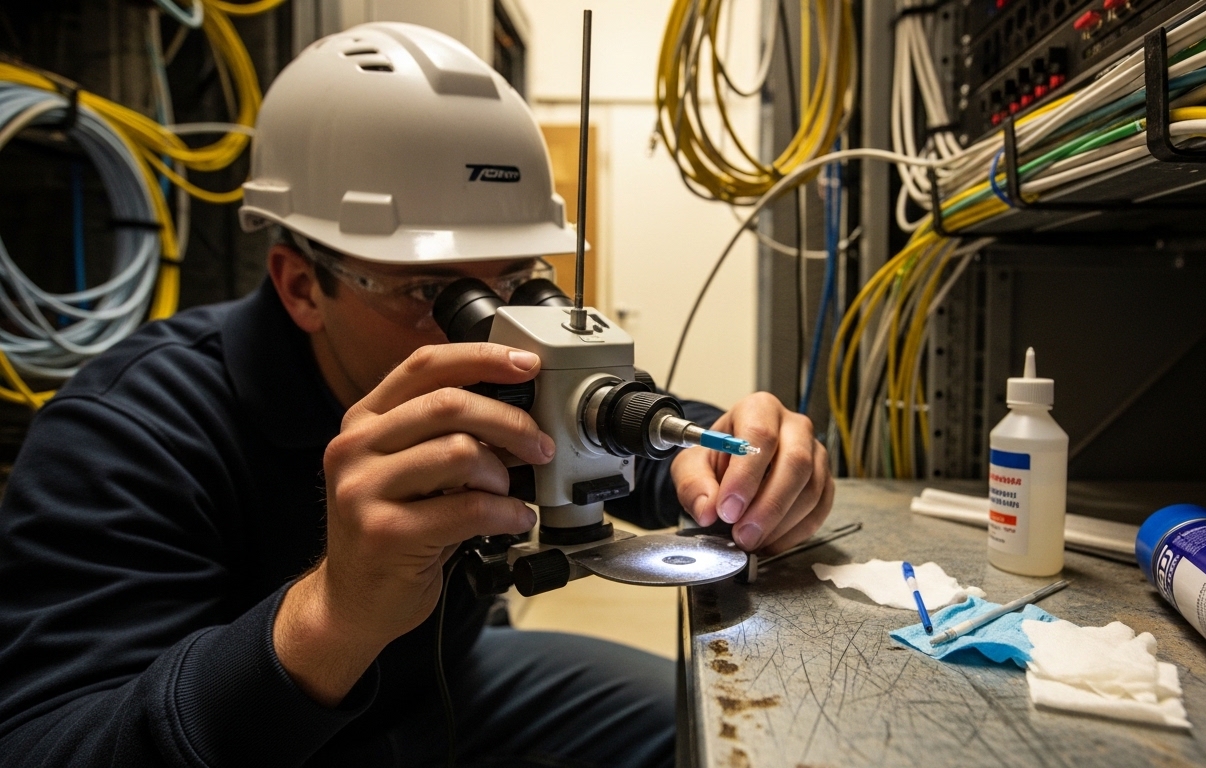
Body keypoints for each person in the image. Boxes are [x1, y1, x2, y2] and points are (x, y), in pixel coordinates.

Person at [0, 23, 833, 768]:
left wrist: (727, 461)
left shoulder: (502, 369)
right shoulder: (130, 433)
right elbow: (46, 742)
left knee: (704, 735)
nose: (496, 336)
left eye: (517, 284)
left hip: (450, 685)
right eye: (436, 294)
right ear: (300, 286)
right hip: (267, 736)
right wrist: (329, 618)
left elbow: (635, 444)